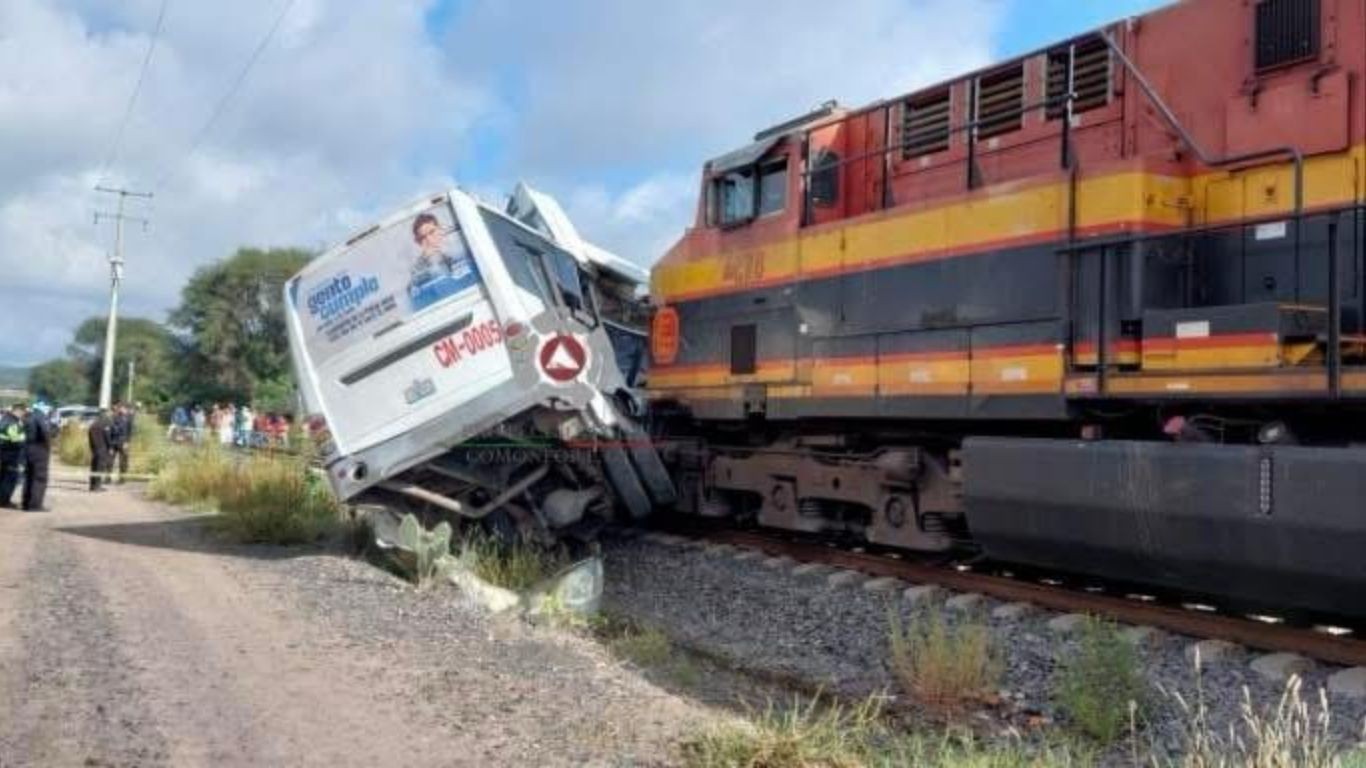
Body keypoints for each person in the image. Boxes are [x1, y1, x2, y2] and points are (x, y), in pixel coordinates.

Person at [406, 211, 480, 311]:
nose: (429, 240)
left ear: (440, 230)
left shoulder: (460, 250)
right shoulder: (417, 269)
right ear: (418, 242)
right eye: (423, 238)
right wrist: (427, 262)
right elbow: (415, 298)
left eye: (432, 232)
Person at [22, 403, 52, 511]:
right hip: (39, 450)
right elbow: (45, 432)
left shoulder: (27, 417)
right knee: (39, 478)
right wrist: (48, 446)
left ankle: (25, 502)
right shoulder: (41, 417)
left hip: (27, 448)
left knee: (29, 477)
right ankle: (35, 505)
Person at [0, 402, 28, 508]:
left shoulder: (4, 419)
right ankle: (4, 501)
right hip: (11, 454)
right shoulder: (12, 422)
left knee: (3, 477)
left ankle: (2, 500)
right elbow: (16, 439)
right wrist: (25, 440)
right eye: (23, 412)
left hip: (3, 452)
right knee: (10, 478)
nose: (23, 415)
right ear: (18, 411)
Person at [108, 402, 134, 483]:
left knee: (123, 461)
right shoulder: (114, 417)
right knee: (109, 461)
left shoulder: (129, 419)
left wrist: (127, 442)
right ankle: (108, 477)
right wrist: (110, 444)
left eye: (123, 408)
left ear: (125, 409)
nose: (121, 410)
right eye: (120, 408)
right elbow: (110, 431)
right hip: (113, 442)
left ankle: (122, 479)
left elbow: (130, 432)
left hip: (123, 442)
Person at [88, 408, 113, 492]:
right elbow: (107, 437)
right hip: (102, 448)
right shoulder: (104, 424)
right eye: (108, 414)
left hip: (94, 449)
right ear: (104, 414)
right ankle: (97, 486)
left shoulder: (93, 425)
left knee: (94, 467)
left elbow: (90, 439)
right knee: (100, 467)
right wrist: (110, 447)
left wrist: (92, 448)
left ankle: (92, 485)